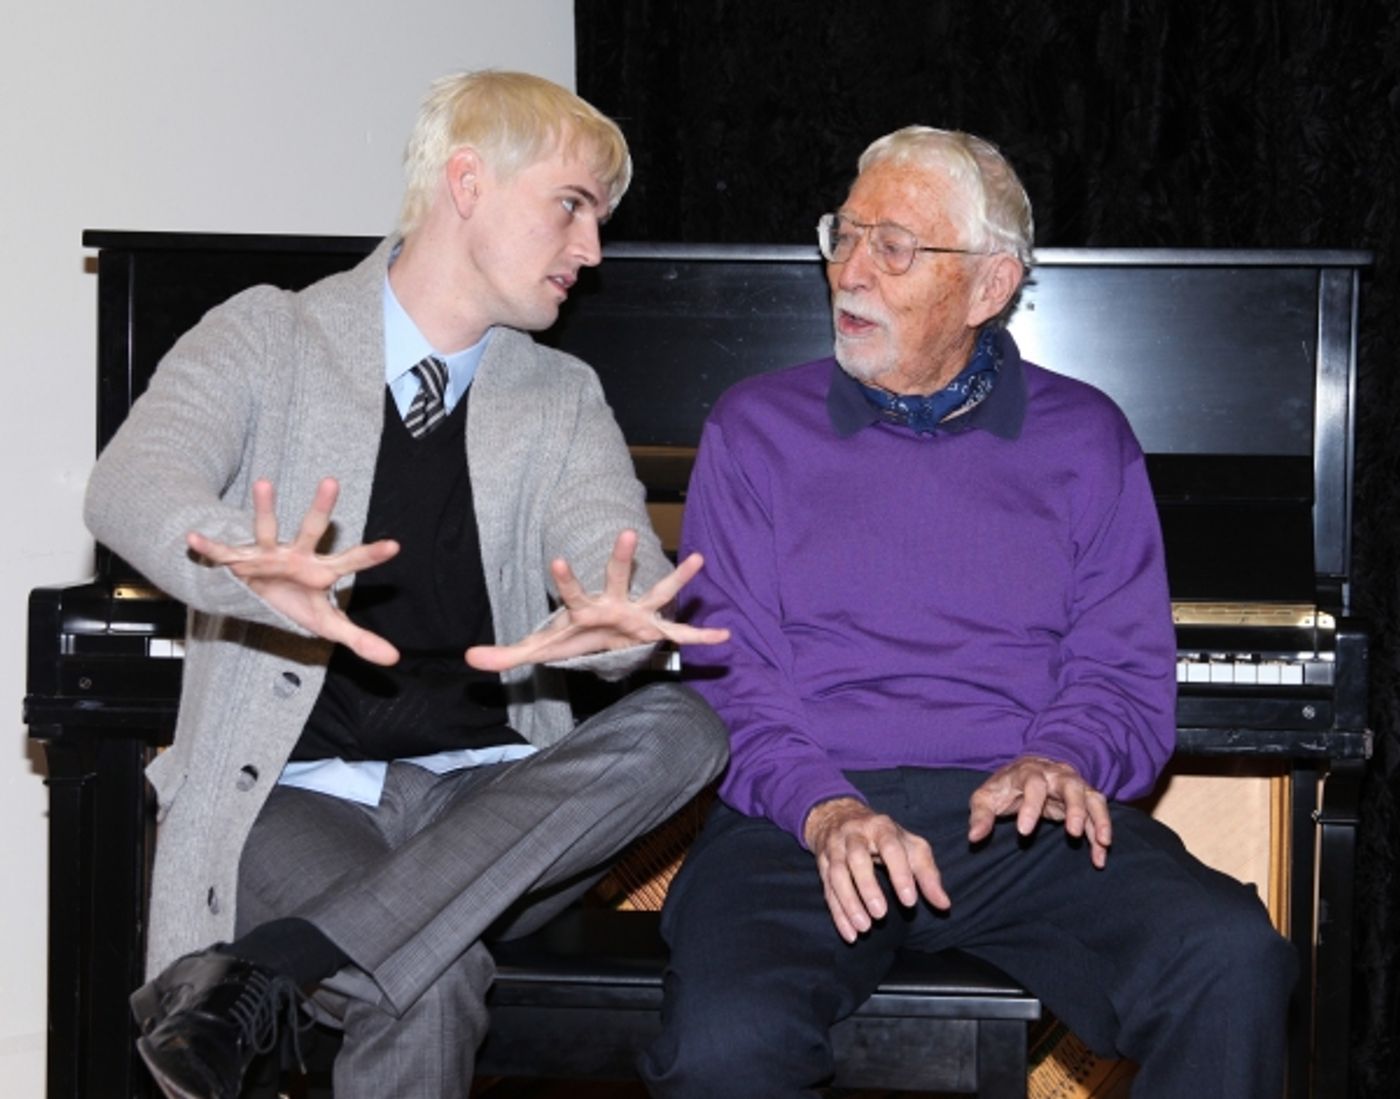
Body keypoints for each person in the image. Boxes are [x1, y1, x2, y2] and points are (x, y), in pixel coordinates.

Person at [84, 70, 730, 1099]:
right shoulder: (268, 335)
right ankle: (328, 949)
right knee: (422, 980)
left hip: (497, 799)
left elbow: (616, 557)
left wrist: (616, 627)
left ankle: (265, 972)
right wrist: (239, 565)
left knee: (687, 730)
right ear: (466, 182)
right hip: (293, 799)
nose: (590, 253)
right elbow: (129, 482)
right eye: (571, 207)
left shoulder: (560, 396)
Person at [639, 126, 1296, 1099]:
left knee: (1230, 958)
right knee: (725, 1042)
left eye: (892, 246)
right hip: (804, 819)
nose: (848, 271)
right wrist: (824, 809)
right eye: (842, 234)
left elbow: (1121, 675)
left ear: (988, 285)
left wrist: (1060, 759)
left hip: (1017, 825)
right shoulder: (752, 427)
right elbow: (729, 672)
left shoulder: (1085, 435)